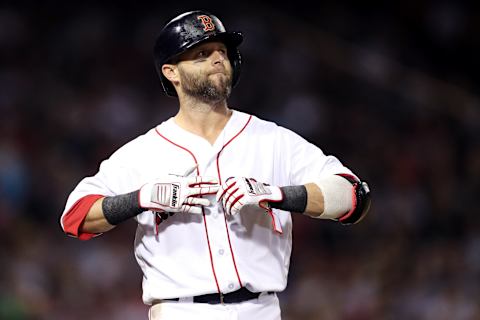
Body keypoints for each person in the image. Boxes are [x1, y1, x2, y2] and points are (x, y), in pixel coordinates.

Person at [60, 9, 371, 320]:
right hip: (180, 311)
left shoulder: (274, 140)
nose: (217, 59)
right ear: (172, 72)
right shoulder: (144, 152)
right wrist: (141, 198)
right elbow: (75, 217)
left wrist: (280, 194)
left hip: (261, 310)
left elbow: (355, 196)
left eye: (222, 51)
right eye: (201, 54)